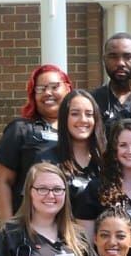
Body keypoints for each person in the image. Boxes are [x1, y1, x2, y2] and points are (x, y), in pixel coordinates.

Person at [0, 64, 72, 220]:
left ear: (68, 89)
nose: (48, 93)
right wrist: (9, 227)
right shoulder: (20, 130)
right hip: (29, 225)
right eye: (41, 89)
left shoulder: (78, 131)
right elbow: (3, 182)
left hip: (70, 226)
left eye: (54, 87)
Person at [40, 89, 106, 236]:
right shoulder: (47, 161)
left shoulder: (106, 160)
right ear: (65, 118)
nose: (83, 120)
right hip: (59, 242)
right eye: (75, 114)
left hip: (103, 247)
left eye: (89, 114)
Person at [84, 118, 131, 221]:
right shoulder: (95, 189)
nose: (130, 151)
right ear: (114, 149)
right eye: (123, 145)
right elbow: (86, 235)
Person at [91, 32, 131, 125]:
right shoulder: (91, 101)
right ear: (104, 60)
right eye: (113, 57)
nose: (120, 63)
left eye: (128, 57)